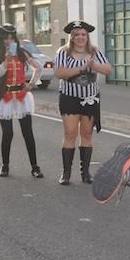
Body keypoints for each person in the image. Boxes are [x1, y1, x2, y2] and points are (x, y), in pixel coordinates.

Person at [54, 20, 112, 186]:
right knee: (70, 133)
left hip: (90, 99)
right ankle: (66, 173)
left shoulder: (95, 52)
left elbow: (108, 69)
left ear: (87, 37)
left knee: (87, 134)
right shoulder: (63, 53)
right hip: (69, 98)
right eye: (77, 34)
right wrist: (81, 68)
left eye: (83, 34)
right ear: (71, 37)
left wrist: (93, 65)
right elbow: (59, 72)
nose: (80, 37)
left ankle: (85, 173)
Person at [0, 24, 43, 179]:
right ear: (0, 39)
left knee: (28, 133)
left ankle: (35, 167)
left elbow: (38, 68)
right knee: (8, 133)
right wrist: (6, 62)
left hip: (21, 96)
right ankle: (5, 165)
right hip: (4, 98)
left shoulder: (22, 53)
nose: (9, 41)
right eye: (6, 38)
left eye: (12, 38)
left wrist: (31, 84)